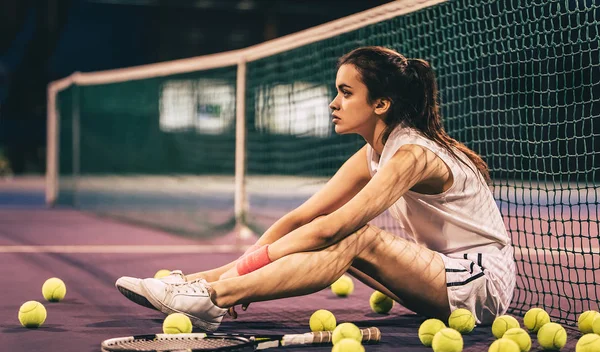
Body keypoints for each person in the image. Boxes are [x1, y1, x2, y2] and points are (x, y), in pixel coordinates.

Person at [116, 46, 515, 333]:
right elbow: (300, 218)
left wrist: (244, 274)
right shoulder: (372, 153)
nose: (333, 103)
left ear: (381, 104)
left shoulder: (412, 155)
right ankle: (198, 289)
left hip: (481, 284)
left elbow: (331, 228)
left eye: (346, 92)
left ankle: (213, 298)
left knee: (356, 236)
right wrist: (228, 270)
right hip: (440, 276)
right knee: (335, 237)